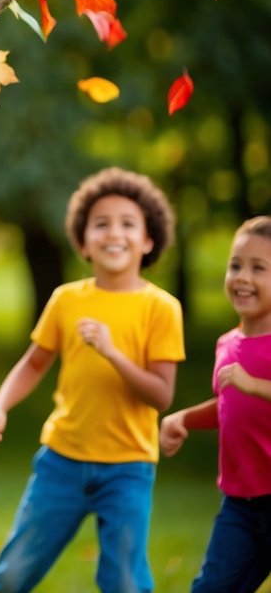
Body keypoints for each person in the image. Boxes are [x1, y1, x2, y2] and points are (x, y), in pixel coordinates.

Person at [0, 167, 183, 593]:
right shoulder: (67, 300)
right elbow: (33, 364)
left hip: (128, 468)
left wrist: (112, 353)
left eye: (128, 224)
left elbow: (161, 396)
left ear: (148, 240)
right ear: (83, 240)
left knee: (125, 582)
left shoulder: (161, 308)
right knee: (12, 576)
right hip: (61, 461)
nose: (114, 233)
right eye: (101, 224)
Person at [160, 216, 271, 593]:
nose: (242, 277)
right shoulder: (227, 344)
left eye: (259, 268)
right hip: (240, 504)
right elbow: (228, 404)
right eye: (235, 265)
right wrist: (185, 418)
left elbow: (247, 390)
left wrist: (255, 384)